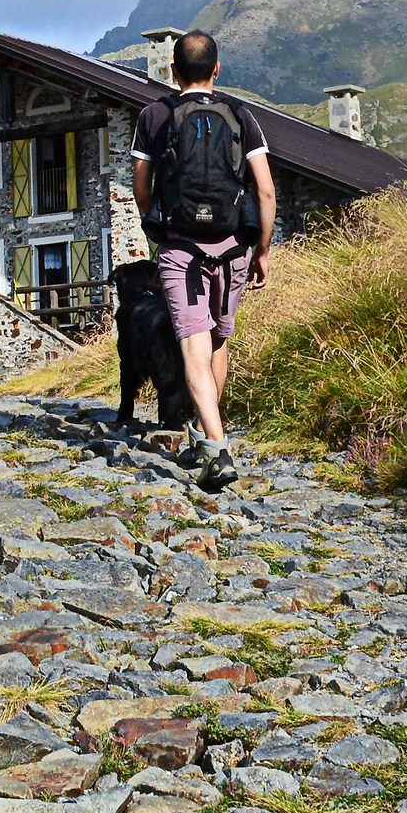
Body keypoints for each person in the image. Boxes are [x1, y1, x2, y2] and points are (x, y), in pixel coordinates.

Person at [131, 29, 274, 491]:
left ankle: (214, 445)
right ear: (216, 69)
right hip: (233, 248)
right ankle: (206, 435)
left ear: (173, 71)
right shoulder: (241, 114)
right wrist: (262, 250)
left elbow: (141, 189)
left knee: (193, 345)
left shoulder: (154, 115)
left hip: (181, 249)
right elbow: (265, 190)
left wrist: (160, 229)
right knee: (215, 342)